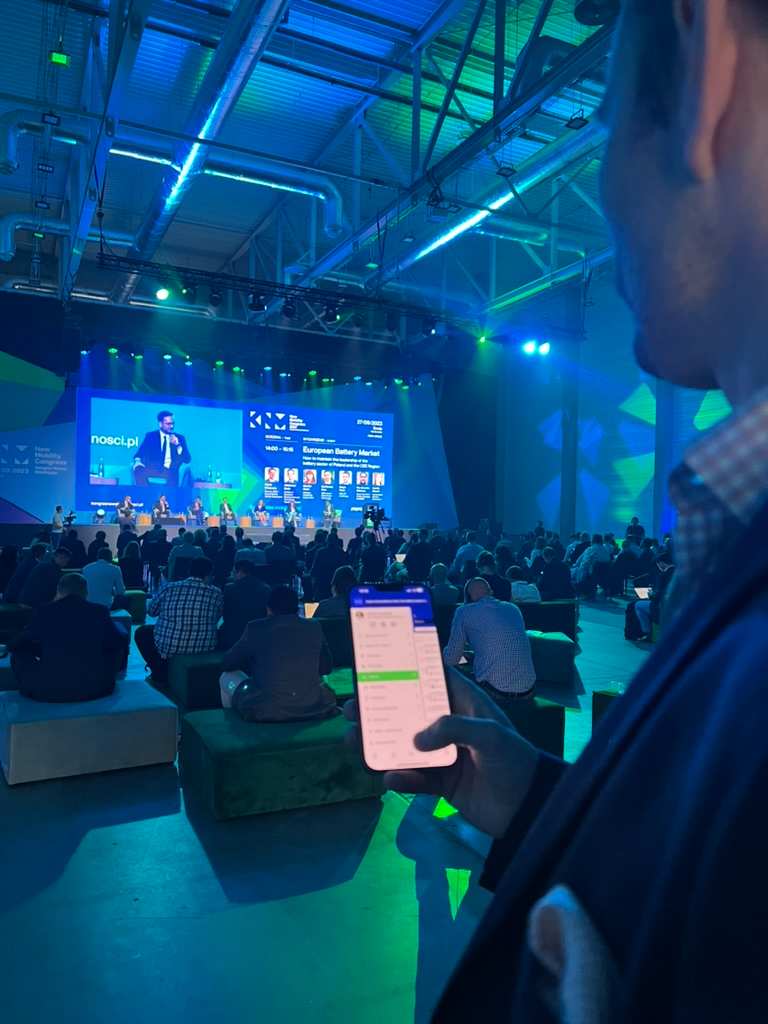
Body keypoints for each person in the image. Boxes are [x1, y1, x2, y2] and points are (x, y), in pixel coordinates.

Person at [352, 8, 768, 1019]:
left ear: (707, 60)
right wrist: (541, 804)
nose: (602, 197)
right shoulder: (735, 545)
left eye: (599, 132)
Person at [220, 585, 336, 722]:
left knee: (226, 677)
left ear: (268, 608)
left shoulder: (255, 627)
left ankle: (235, 728)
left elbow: (227, 663)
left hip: (266, 709)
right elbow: (326, 667)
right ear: (297, 608)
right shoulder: (314, 626)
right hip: (312, 706)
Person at [9, 572, 127, 702]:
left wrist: (40, 649)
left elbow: (16, 644)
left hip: (49, 690)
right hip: (97, 688)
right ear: (86, 592)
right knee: (116, 642)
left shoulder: (45, 611)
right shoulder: (100, 611)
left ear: (58, 591)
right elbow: (117, 642)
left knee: (18, 653)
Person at [443, 577, 535, 705]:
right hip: (528, 690)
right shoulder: (513, 608)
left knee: (452, 670)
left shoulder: (464, 611)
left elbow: (451, 659)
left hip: (496, 694)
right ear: (490, 592)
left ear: (467, 599)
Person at [135, 557, 222, 684]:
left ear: (189, 571)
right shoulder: (217, 593)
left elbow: (151, 611)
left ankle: (159, 670)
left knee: (142, 632)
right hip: (204, 647)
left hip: (169, 646)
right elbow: (216, 618)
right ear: (209, 574)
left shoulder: (169, 588)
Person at [218, 558, 271, 650]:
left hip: (232, 635)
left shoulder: (229, 588)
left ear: (241, 572)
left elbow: (224, 612)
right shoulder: (266, 588)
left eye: (234, 572)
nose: (231, 574)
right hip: (258, 634)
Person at [133, 409, 191, 488]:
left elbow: (187, 459)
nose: (171, 426)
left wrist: (178, 445)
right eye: (168, 424)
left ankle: (167, 498)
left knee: (172, 474)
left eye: (173, 424)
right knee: (138, 470)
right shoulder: (151, 436)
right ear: (160, 424)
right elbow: (139, 453)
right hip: (153, 469)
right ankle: (146, 494)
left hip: (170, 471)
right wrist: (137, 461)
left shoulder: (180, 438)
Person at [310, 534, 348, 601]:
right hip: (337, 582)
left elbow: (315, 568)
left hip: (322, 581)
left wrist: (313, 581)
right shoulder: (341, 553)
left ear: (327, 541)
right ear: (336, 541)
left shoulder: (321, 552)